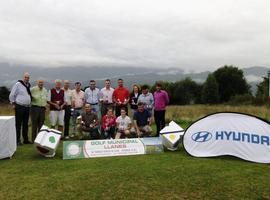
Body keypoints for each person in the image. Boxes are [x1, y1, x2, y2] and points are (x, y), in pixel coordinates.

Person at [9, 72, 32, 145]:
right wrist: (13, 103)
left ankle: (25, 140)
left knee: (25, 124)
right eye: (25, 77)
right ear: (23, 77)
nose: (27, 78)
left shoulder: (28, 85)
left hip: (27, 107)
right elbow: (12, 94)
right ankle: (17, 140)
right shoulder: (18, 84)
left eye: (28, 77)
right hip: (19, 106)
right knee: (18, 124)